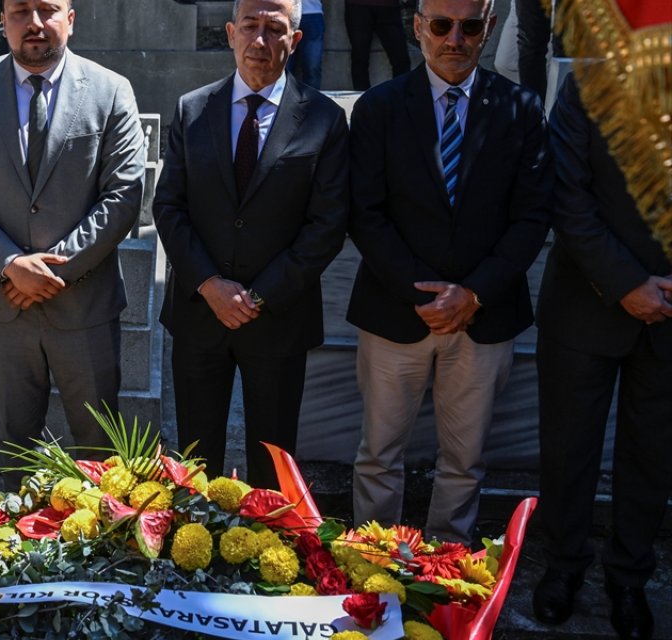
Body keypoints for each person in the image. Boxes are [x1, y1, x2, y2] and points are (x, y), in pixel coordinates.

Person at [346, 0, 551, 545]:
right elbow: (364, 213)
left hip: (483, 318)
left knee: (465, 462)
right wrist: (423, 293)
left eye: (470, 26)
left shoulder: (522, 109)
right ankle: (373, 565)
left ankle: (448, 572)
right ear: (417, 29)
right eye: (441, 24)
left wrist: (475, 292)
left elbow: (533, 215)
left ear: (489, 30)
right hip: (395, 312)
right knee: (377, 458)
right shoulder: (378, 108)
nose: (454, 38)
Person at [0, 0, 146, 485]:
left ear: (70, 19)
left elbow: (124, 194)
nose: (33, 23)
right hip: (1, 301)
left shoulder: (111, 90)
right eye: (19, 11)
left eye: (47, 9)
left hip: (84, 304)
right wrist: (10, 263)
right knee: (17, 451)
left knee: (100, 457)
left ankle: (100, 553)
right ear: (4, 20)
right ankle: (20, 553)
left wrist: (51, 273)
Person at [154, 0, 348, 487]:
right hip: (200, 316)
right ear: (230, 33)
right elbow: (169, 207)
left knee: (273, 469)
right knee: (195, 468)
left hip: (279, 320)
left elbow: (326, 226)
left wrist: (259, 295)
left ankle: (268, 556)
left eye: (274, 29)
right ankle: (197, 557)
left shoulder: (324, 120)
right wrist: (208, 283)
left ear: (295, 40)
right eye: (250, 27)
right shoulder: (192, 109)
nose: (260, 41)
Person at [531, 74, 672, 640]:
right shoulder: (587, 85)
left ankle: (630, 577)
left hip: (669, 312)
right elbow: (568, 196)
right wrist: (626, 283)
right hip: (585, 305)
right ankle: (563, 566)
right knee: (568, 450)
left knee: (652, 454)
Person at [344, 0, 412, 90]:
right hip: (358, 6)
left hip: (388, 7)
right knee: (360, 58)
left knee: (401, 59)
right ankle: (363, 99)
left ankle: (402, 96)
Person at [288, 0, 325, 89]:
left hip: (312, 13)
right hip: (285, 13)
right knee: (284, 67)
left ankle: (312, 101)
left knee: (312, 67)